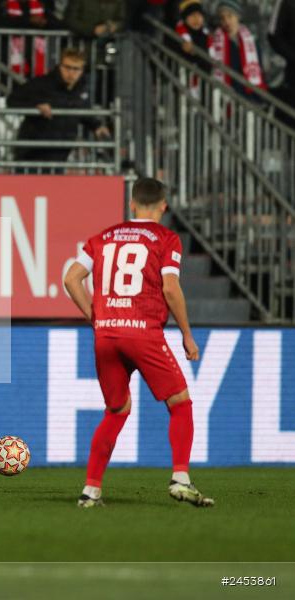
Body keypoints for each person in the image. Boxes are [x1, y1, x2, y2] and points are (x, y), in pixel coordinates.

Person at [63, 177, 213, 509]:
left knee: (116, 410)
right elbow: (170, 288)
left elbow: (71, 278)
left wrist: (95, 316)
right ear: (164, 206)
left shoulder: (103, 237)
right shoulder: (166, 238)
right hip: (143, 332)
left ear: (131, 204)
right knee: (180, 403)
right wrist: (187, 334)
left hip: (106, 334)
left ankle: (90, 491)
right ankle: (181, 479)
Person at [6, 47, 111, 168]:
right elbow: (12, 100)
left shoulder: (80, 90)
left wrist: (96, 126)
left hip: (61, 153)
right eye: (67, 67)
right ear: (60, 66)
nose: (71, 73)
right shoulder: (41, 84)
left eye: (76, 69)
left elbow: (82, 111)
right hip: (32, 152)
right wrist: (36, 106)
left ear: (82, 70)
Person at [209, 0, 267, 98]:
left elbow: (259, 70)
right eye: (222, 18)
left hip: (249, 96)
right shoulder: (215, 42)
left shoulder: (252, 41)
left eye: (230, 16)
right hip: (227, 96)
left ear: (238, 16)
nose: (226, 21)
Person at [173, 0, 211, 71]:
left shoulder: (206, 36)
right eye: (192, 15)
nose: (196, 19)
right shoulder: (179, 36)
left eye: (199, 15)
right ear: (185, 18)